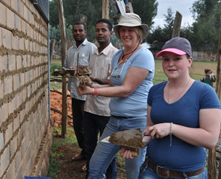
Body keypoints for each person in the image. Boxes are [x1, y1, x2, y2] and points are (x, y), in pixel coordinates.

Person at [131, 37, 221, 179]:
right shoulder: (154, 91)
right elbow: (150, 129)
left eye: (177, 58)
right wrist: (135, 144)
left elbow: (210, 140)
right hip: (152, 171)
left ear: (189, 61)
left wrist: (172, 128)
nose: (170, 64)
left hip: (189, 175)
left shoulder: (205, 93)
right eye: (166, 59)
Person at [77, 13, 154, 179]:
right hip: (114, 122)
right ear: (118, 33)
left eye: (131, 30)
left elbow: (126, 89)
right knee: (95, 167)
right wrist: (93, 85)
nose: (126, 34)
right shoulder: (118, 56)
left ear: (139, 33)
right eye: (123, 30)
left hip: (134, 124)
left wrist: (93, 91)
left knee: (133, 173)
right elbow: (113, 85)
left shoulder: (143, 56)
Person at [82, 19, 118, 177]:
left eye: (104, 30)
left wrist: (93, 79)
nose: (100, 33)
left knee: (109, 148)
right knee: (89, 145)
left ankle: (111, 176)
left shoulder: (115, 54)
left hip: (106, 110)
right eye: (97, 30)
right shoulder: (94, 53)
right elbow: (90, 77)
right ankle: (91, 174)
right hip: (90, 107)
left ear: (111, 33)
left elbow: (114, 83)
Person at [60, 22, 97, 161]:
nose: (77, 33)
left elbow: (94, 69)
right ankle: (84, 151)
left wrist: (80, 69)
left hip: (87, 95)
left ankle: (91, 157)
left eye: (80, 30)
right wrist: (62, 71)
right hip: (75, 93)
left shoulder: (91, 48)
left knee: (87, 127)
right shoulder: (70, 50)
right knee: (77, 126)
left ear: (85, 32)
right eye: (75, 31)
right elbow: (65, 67)